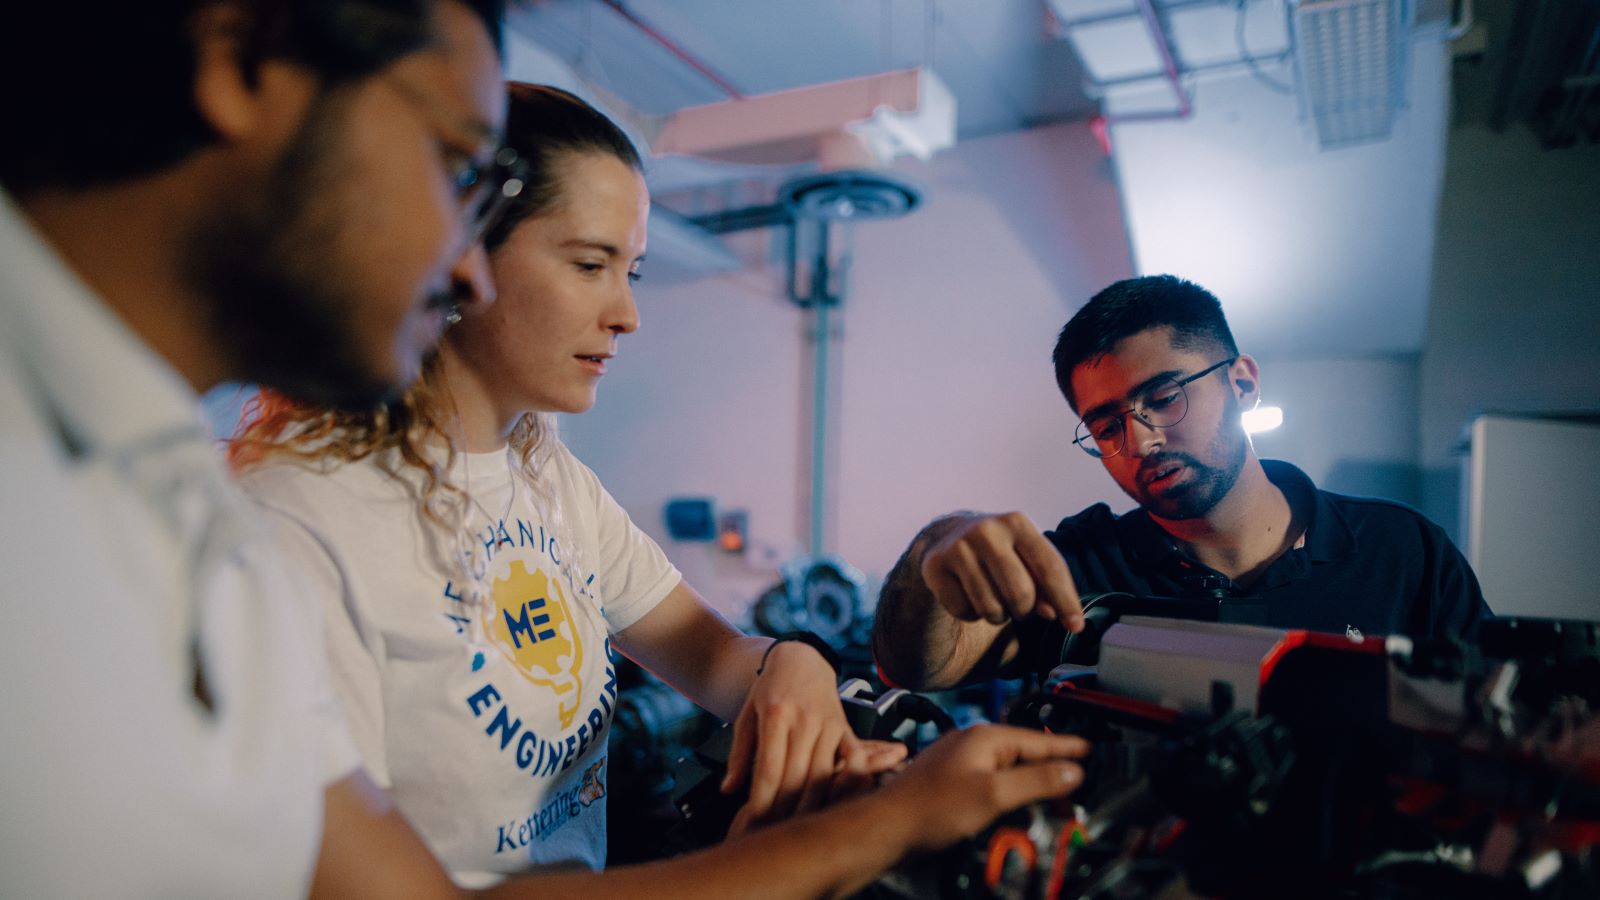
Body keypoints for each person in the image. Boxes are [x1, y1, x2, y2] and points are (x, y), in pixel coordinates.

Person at [228, 82, 1091, 895]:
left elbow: (713, 655)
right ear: (460, 258)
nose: (627, 313)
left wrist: (790, 661)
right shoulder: (298, 516)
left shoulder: (546, 472)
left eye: (631, 271)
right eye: (589, 264)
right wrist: (876, 828)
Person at [0, 0, 510, 893]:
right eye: (456, 163)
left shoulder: (191, 497)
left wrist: (837, 841)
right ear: (238, 61)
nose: (474, 272)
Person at [873, 274, 1491, 691]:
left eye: (1164, 398)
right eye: (1107, 425)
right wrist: (937, 545)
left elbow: (1503, 720)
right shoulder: (1078, 574)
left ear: (1243, 384)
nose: (1141, 441)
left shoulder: (1401, 552)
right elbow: (915, 667)